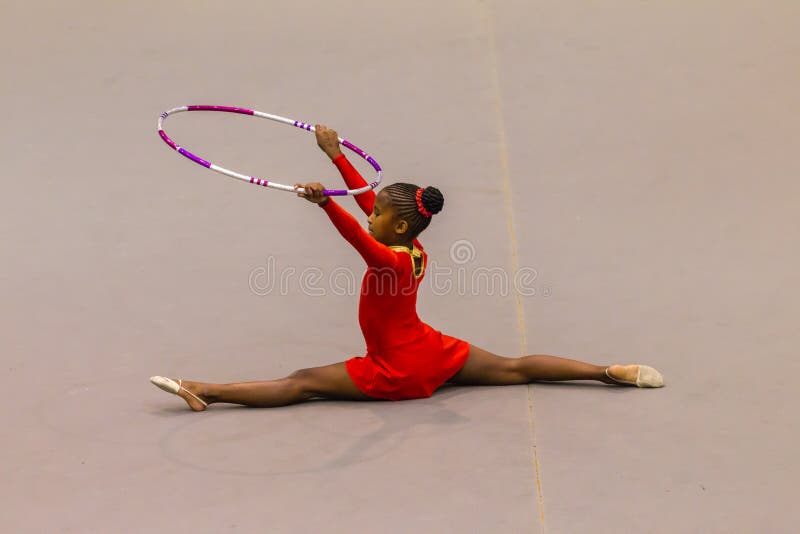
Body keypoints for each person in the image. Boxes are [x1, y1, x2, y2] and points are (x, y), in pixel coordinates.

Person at [150, 125, 664, 411]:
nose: (368, 212)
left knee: (303, 381)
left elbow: (355, 230)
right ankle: (609, 373)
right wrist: (335, 160)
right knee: (515, 367)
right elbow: (371, 204)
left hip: (394, 369)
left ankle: (207, 390)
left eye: (376, 214)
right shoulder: (413, 250)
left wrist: (325, 203)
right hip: (431, 350)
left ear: (396, 227)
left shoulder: (385, 259)